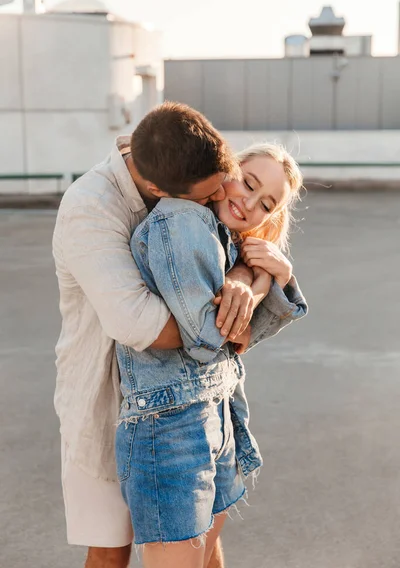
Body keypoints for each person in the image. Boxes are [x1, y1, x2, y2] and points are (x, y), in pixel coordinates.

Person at [52, 102, 304, 568]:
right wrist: (241, 311)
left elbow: (235, 256)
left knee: (203, 546)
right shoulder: (98, 207)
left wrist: (253, 278)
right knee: (111, 549)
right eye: (244, 185)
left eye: (265, 201)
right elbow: (152, 327)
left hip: (205, 405)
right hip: (114, 399)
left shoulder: (194, 172)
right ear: (159, 189)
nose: (241, 200)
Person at [115, 138, 307, 568]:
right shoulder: (181, 222)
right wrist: (259, 286)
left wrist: (272, 273)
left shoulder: (220, 238)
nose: (250, 203)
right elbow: (209, 338)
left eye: (266, 204)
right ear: (226, 167)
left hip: (215, 415)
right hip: (168, 427)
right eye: (249, 182)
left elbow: (239, 340)